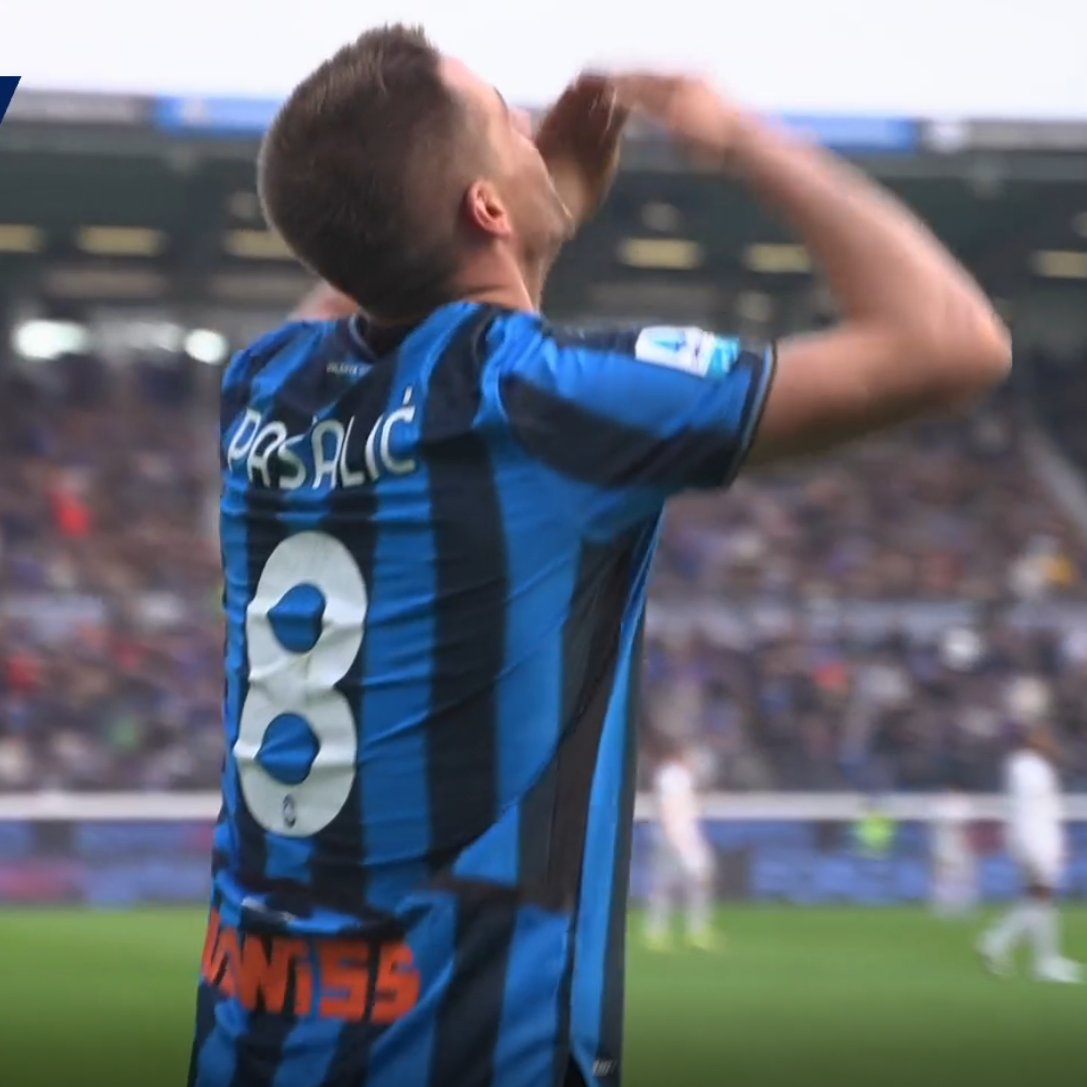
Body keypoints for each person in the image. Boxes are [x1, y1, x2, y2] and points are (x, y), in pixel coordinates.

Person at [188, 23, 1010, 1087]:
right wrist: (733, 136)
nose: (532, 125)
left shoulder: (262, 390)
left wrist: (528, 218)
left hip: (247, 1045)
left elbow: (373, 263)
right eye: (506, 119)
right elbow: (951, 341)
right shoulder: (543, 400)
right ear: (484, 206)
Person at [978, 724, 1082, 982]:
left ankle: (1017, 950)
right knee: (1042, 895)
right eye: (1043, 736)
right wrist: (1041, 846)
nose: (1049, 741)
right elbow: (1031, 810)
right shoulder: (1027, 767)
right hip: (1035, 840)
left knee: (1037, 898)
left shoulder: (1026, 766)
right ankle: (1025, 954)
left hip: (1034, 839)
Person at [644, 737, 717, 951]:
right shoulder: (673, 777)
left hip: (678, 834)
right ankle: (686, 931)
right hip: (677, 836)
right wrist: (677, 838)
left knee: (672, 884)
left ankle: (683, 931)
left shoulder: (677, 776)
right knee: (682, 882)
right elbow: (670, 808)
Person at [930, 788, 977, 918]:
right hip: (944, 843)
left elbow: (968, 823)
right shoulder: (938, 804)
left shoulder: (965, 803)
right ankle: (943, 906)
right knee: (943, 875)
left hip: (963, 844)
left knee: (965, 876)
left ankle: (965, 906)